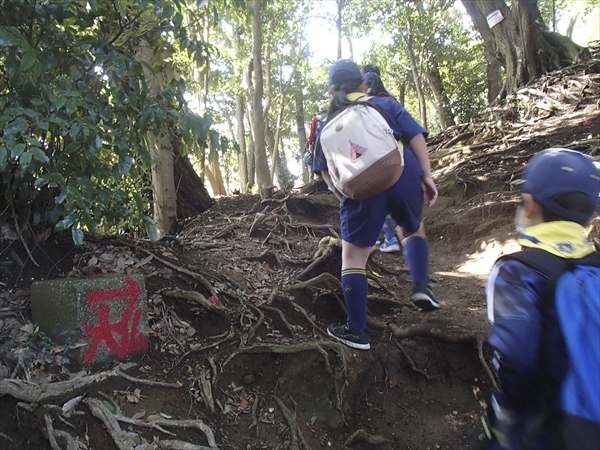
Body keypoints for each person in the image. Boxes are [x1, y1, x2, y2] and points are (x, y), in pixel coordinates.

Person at [314, 59, 440, 350]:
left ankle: (357, 331)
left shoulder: (325, 125)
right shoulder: (382, 104)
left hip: (360, 190)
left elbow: (325, 173)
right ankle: (421, 286)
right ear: (362, 82)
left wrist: (345, 194)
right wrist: (427, 175)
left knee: (354, 258)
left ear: (332, 90)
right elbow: (415, 136)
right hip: (401, 171)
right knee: (413, 229)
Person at [484, 148, 600, 449]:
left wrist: (503, 411)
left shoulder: (515, 272)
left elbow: (516, 358)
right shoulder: (594, 267)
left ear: (530, 206)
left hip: (550, 428)